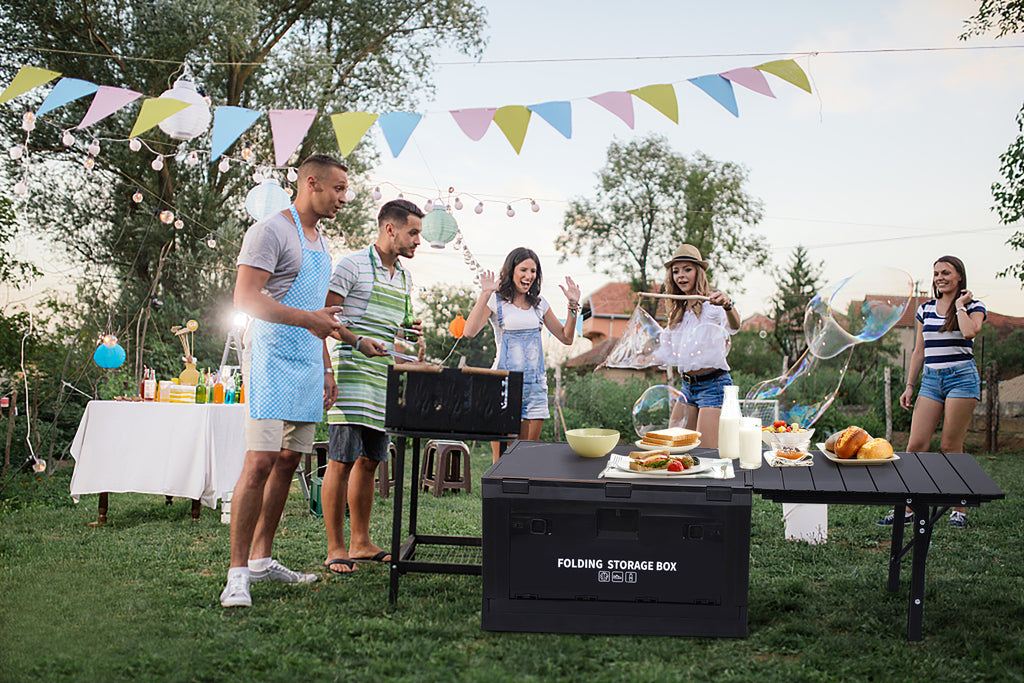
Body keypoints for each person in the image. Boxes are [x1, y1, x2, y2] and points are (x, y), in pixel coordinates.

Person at [221, 154, 348, 608]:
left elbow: (318, 314)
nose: (343, 198)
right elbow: (246, 298)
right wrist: (311, 323)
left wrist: (331, 360)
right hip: (271, 359)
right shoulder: (270, 231)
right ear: (310, 183)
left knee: (291, 462)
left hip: (307, 363)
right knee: (259, 463)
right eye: (337, 189)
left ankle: (262, 558)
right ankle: (237, 574)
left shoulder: (320, 240)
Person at [320, 199, 425, 575]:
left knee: (370, 463)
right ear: (389, 229)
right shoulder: (351, 265)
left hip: (383, 379)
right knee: (342, 460)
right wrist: (356, 341)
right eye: (413, 232)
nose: (418, 241)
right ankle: (336, 548)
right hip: (350, 376)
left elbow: (392, 331)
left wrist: (407, 337)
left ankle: (361, 543)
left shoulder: (406, 278)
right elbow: (327, 321)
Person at [879, 255, 986, 529]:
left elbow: (970, 332)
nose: (940, 277)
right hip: (931, 381)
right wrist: (910, 385)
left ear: (959, 276)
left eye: (946, 273)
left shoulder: (974, 306)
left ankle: (958, 510)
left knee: (951, 446)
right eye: (936, 273)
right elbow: (919, 351)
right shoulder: (925, 309)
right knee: (915, 446)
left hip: (961, 379)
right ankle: (908, 509)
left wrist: (960, 306)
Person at [463, 246, 580, 462]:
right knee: (504, 457)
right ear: (511, 270)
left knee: (526, 456)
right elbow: (469, 332)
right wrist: (485, 293)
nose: (529, 276)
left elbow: (566, 337)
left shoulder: (539, 304)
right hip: (504, 385)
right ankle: (499, 495)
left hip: (535, 386)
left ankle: (522, 495)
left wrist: (573, 305)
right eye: (523, 270)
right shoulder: (496, 301)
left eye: (533, 271)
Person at [660, 244, 741, 448]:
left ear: (699, 272)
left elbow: (735, 326)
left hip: (713, 385)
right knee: (675, 448)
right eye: (676, 271)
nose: (681, 275)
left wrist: (728, 304)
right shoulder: (676, 313)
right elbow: (669, 354)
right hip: (687, 386)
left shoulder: (713, 305)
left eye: (687, 269)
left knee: (705, 454)